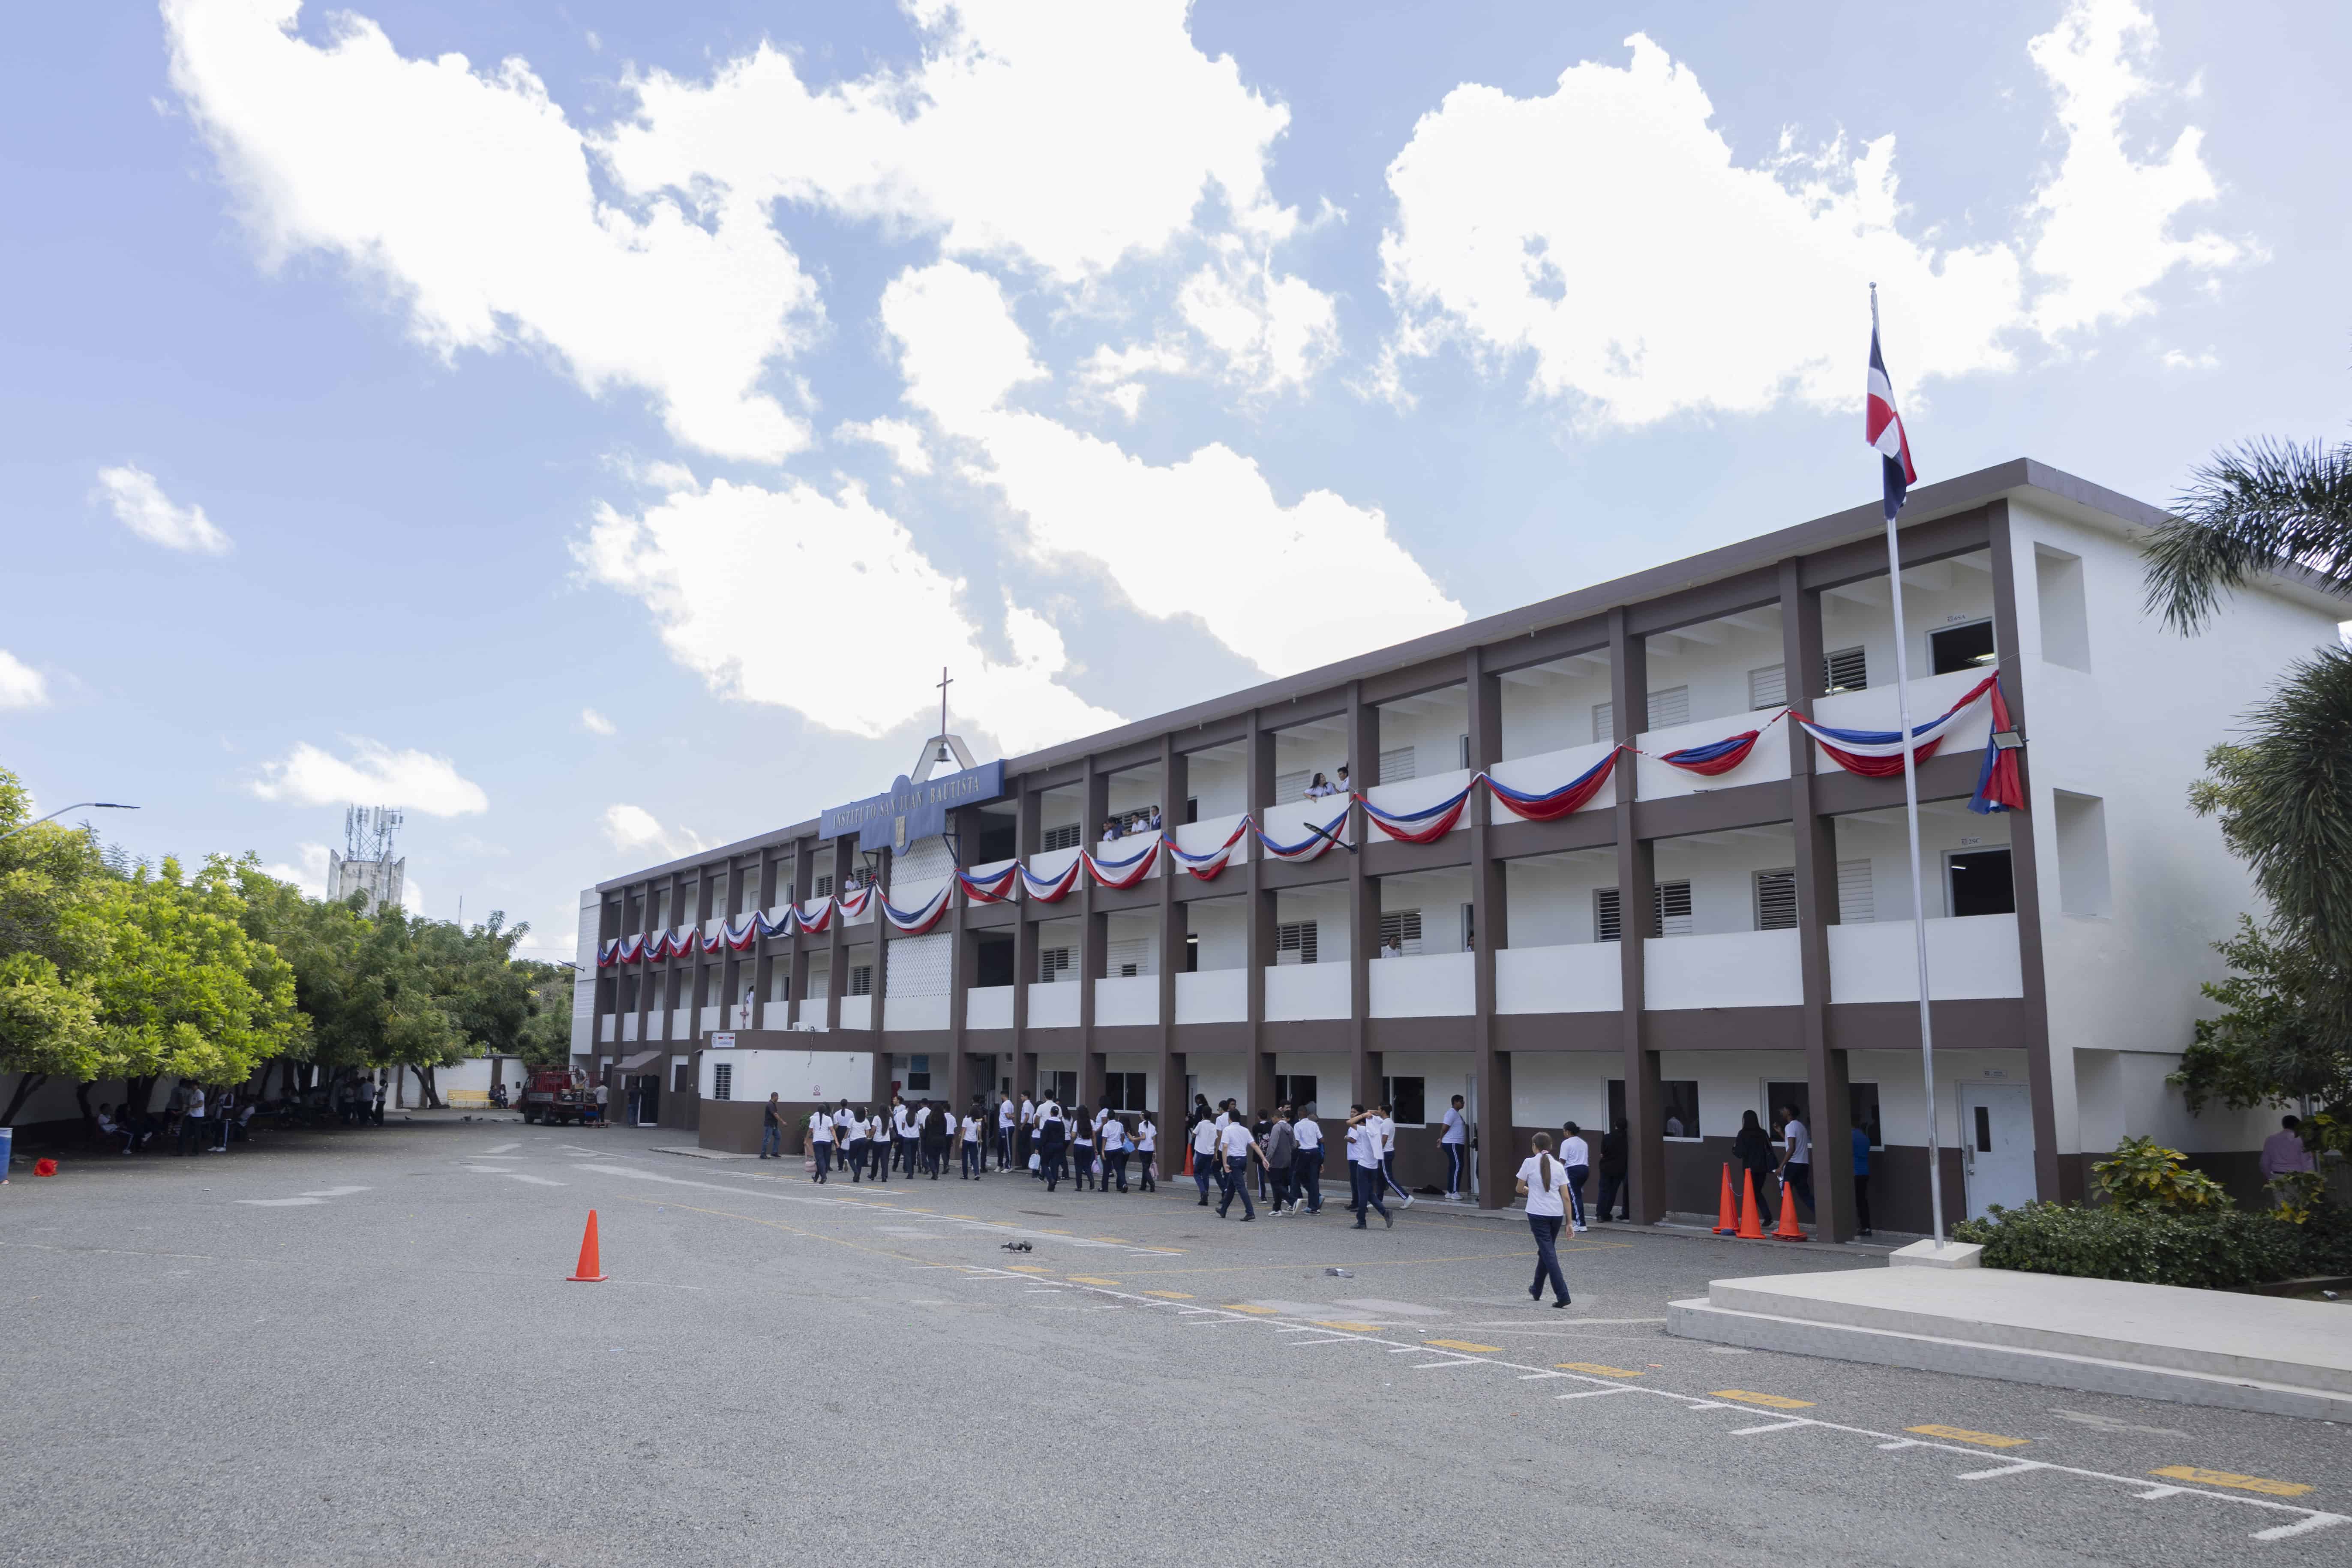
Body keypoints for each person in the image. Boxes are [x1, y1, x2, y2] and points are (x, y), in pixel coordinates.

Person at [1517, 1133, 1573, 1307]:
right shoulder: (1558, 1166)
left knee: (1548, 1253)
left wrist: (1528, 1189)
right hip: (1556, 1214)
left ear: (1534, 1146)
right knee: (1546, 1250)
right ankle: (1537, 1289)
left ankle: (1563, 1294)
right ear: (1550, 1146)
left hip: (1537, 1213)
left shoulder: (1528, 1163)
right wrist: (1570, 1223)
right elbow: (1566, 1197)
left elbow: (1519, 1188)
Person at [1345, 1106, 1392, 1229]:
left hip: (1363, 1166)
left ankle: (1362, 1221)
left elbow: (1349, 1122)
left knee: (1363, 1195)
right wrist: (1373, 1113)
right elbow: (1381, 1117)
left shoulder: (1364, 1131)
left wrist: (1364, 1115)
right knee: (1370, 1194)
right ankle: (1384, 1212)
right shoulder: (1378, 1132)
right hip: (1374, 1167)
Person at [1732, 1109, 1778, 1226]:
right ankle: (1763, 1217)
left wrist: (1734, 1148)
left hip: (1749, 1168)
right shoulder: (1763, 1133)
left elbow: (1739, 1153)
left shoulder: (1743, 1134)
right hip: (1762, 1168)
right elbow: (1769, 1149)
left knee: (1753, 1192)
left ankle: (1761, 1217)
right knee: (1756, 1191)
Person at [1215, 1112, 1262, 1220]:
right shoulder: (1245, 1130)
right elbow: (1254, 1145)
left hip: (1234, 1160)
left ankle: (1250, 1212)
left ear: (1229, 1119)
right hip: (1243, 1160)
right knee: (1231, 1186)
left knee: (1241, 1187)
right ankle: (1223, 1210)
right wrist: (1264, 1158)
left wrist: (1224, 1163)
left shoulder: (1227, 1130)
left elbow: (1225, 1146)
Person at [2262, 1115, 2316, 1198]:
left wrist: (2270, 1177)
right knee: (2299, 1206)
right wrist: (2309, 1181)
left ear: (2284, 1125)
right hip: (2297, 1178)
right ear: (2297, 1126)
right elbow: (2307, 1163)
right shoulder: (2301, 1140)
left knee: (2281, 1206)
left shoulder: (2271, 1139)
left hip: (2277, 1177)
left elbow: (2264, 1163)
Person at [1777, 1105, 1814, 1223]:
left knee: (1785, 1193)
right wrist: (1781, 1133)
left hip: (1793, 1165)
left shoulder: (1790, 1126)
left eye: (1783, 1109)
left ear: (1788, 1112)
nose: (1781, 1111)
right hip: (1804, 1164)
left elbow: (1791, 1148)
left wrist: (1781, 1166)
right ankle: (1824, 1219)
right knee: (1805, 1195)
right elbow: (1791, 1143)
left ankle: (1786, 1224)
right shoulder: (1801, 1126)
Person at [1374, 1103, 1414, 1208]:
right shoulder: (1387, 1122)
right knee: (1380, 1178)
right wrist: (1373, 1112)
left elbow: (1384, 1139)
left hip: (1385, 1153)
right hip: (1387, 1152)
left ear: (1383, 1111)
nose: (1378, 1111)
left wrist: (1378, 1152)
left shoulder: (1386, 1123)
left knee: (1388, 1179)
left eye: (1379, 1110)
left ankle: (1407, 1198)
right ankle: (1377, 1201)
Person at [1263, 1106, 1296, 1217]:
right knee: (1280, 1183)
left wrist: (1267, 1159)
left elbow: (1272, 1146)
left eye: (1272, 1118)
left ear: (1275, 1117)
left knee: (1275, 1183)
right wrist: (1287, 1151)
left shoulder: (1277, 1128)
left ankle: (1293, 1201)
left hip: (1277, 1160)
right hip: (1287, 1159)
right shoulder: (1290, 1127)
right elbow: (1294, 1144)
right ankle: (1277, 1208)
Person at [1290, 1104, 1324, 1215]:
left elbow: (1297, 1143)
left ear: (1299, 1114)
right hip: (1315, 1153)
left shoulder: (1298, 1125)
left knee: (1296, 1177)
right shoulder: (1314, 1124)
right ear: (1307, 1114)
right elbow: (1322, 1139)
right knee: (1313, 1180)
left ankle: (1294, 1202)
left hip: (1304, 1153)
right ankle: (1315, 1207)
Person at [1596, 1119, 1630, 1223]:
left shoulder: (1607, 1137)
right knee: (1612, 1192)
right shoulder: (1627, 1139)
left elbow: (1603, 1153)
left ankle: (1600, 1214)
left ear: (1615, 1125)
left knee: (1603, 1191)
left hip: (1606, 1168)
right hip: (1619, 1169)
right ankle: (1606, 1213)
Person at [1560, 1121, 1590, 1232]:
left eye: (1564, 1131)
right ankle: (1573, 1220)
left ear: (1568, 1131)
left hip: (1573, 1171)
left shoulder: (1566, 1143)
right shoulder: (1583, 1143)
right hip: (1585, 1169)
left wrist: (1558, 1173)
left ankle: (1581, 1224)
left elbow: (1562, 1160)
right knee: (1573, 1195)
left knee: (1576, 1197)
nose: (1564, 1133)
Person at [1035, 1094, 1068, 1192]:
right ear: (1058, 1114)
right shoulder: (1061, 1123)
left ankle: (1050, 1179)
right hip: (1059, 1146)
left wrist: (1039, 1147)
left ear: (1051, 1113)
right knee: (1055, 1165)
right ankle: (1052, 1185)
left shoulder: (1048, 1123)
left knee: (1044, 1163)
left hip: (1049, 1145)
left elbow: (1044, 1136)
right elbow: (1063, 1136)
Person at [1439, 1094, 1468, 1200]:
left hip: (1456, 1144)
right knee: (1458, 1166)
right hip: (1453, 1144)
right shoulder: (1451, 1113)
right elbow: (1445, 1127)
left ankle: (1450, 1192)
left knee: (1454, 1167)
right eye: (1461, 1101)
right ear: (1455, 1102)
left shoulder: (1456, 1114)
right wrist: (1441, 1138)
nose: (1463, 1103)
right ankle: (1455, 1192)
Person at [1190, 1111, 1221, 1206]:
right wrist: (1215, 1153)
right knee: (1206, 1175)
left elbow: (1193, 1135)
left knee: (1196, 1173)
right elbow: (1216, 1140)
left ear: (1203, 1115)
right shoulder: (1214, 1126)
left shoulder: (1201, 1124)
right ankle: (1205, 1199)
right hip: (1210, 1153)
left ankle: (1203, 1192)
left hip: (1201, 1152)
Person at [1851, 1121, 1874, 1236]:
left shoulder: (1849, 1136)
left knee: (1849, 1201)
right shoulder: (1864, 1137)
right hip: (1864, 1172)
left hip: (1853, 1173)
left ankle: (1848, 1228)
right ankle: (1866, 1227)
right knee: (1862, 1201)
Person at [1098, 1109, 1130, 1193]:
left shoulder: (1106, 1126)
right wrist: (1121, 1144)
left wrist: (1102, 1151)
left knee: (1107, 1169)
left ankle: (1105, 1187)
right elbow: (1123, 1136)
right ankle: (1124, 1184)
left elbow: (1104, 1139)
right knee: (1120, 1169)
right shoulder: (1120, 1125)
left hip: (1109, 1149)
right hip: (1118, 1148)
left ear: (1108, 1117)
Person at [1070, 1104, 1097, 1191]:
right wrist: (1095, 1148)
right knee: (1087, 1165)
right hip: (1089, 1146)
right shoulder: (1091, 1122)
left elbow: (1073, 1135)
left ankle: (1079, 1187)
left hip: (1078, 1145)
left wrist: (1071, 1134)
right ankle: (1091, 1179)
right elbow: (1093, 1136)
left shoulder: (1076, 1122)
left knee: (1078, 1166)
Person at [807, 1103, 835, 1182]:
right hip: (827, 1141)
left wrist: (806, 1140)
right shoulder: (829, 1119)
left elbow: (810, 1131)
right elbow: (832, 1130)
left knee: (820, 1159)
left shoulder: (814, 1118)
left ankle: (824, 1177)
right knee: (823, 1160)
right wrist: (836, 1141)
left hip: (817, 1141)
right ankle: (816, 1177)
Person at [178, 1084, 207, 1157]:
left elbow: (200, 1104)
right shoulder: (191, 1093)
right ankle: (181, 1151)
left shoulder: (200, 1093)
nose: (192, 1087)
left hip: (198, 1116)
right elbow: (189, 1104)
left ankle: (195, 1151)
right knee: (184, 1132)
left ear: (197, 1086)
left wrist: (189, 1106)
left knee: (197, 1134)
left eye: (194, 1085)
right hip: (190, 1114)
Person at [1134, 1109, 1158, 1193]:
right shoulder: (1153, 1126)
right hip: (1150, 1149)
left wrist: (1134, 1139)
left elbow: (1143, 1137)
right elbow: (1154, 1141)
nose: (1140, 1116)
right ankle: (1143, 1186)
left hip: (1143, 1148)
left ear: (1144, 1116)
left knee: (1145, 1168)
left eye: (1141, 1114)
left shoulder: (1141, 1125)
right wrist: (1155, 1152)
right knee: (1146, 1167)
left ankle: (1151, 1183)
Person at [841, 1102, 866, 1176]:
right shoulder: (866, 1121)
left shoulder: (852, 1120)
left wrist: (844, 1139)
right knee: (860, 1160)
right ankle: (857, 1176)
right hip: (863, 1140)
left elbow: (848, 1131)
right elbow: (868, 1133)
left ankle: (856, 1172)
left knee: (851, 1158)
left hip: (854, 1141)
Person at [959, 1105, 982, 1179]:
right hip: (974, 1140)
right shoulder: (979, 1120)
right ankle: (977, 1174)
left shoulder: (966, 1119)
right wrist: (981, 1139)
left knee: (965, 1158)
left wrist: (961, 1142)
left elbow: (964, 1131)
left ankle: (965, 1175)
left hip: (966, 1140)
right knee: (975, 1158)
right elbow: (979, 1130)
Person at [996, 1092, 1017, 1171]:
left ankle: (1008, 1166)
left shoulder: (1006, 1104)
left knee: (1007, 1147)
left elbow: (1008, 1116)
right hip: (1003, 1127)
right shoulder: (1010, 1104)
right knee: (1000, 1146)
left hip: (1006, 1127)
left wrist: (1012, 1116)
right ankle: (1000, 1164)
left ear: (1003, 1095)